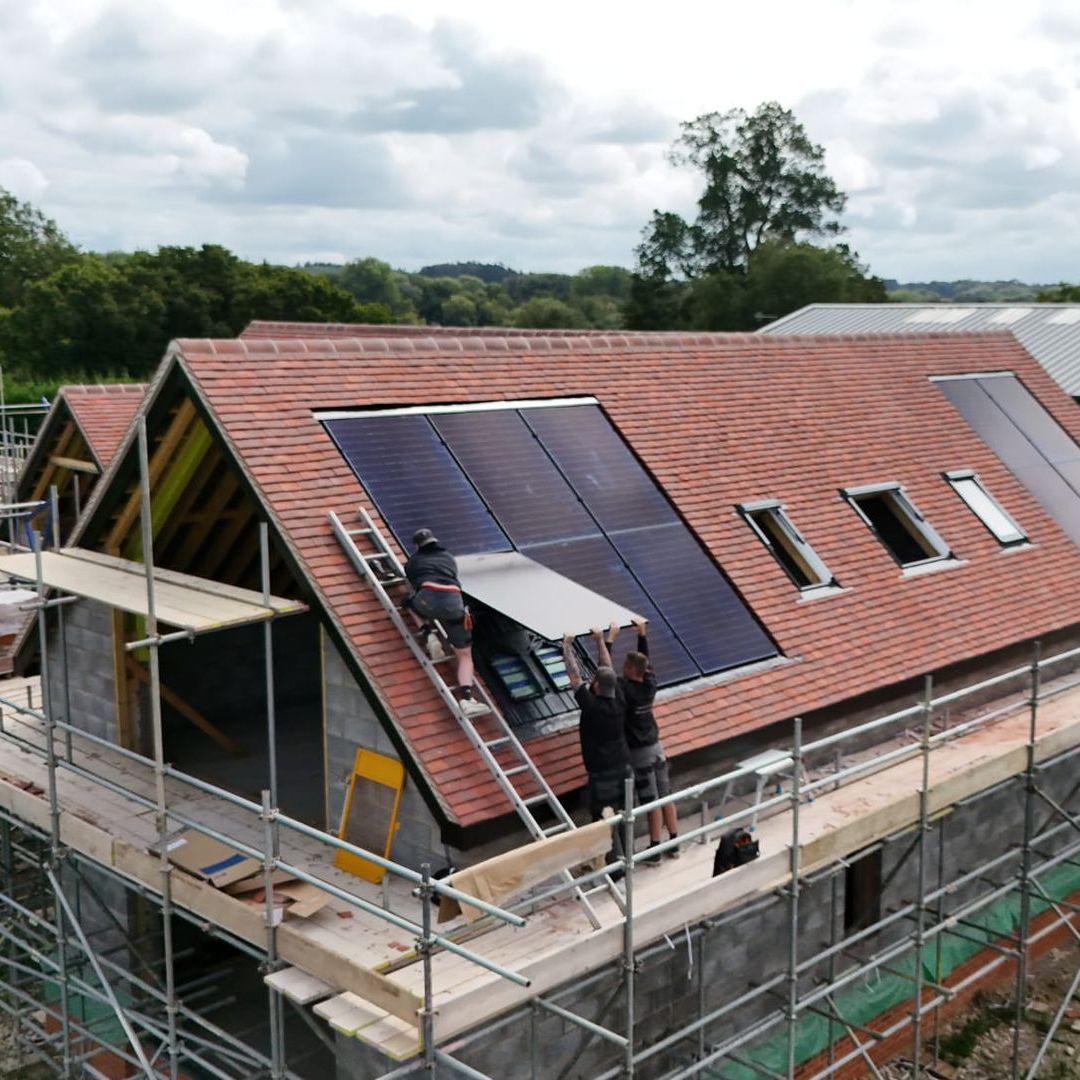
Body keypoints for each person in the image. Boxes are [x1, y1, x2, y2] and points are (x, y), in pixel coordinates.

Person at [601, 619, 679, 862]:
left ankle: (655, 849)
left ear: (631, 670)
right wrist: (642, 634)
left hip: (639, 752)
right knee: (666, 795)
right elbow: (646, 661)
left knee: (649, 801)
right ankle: (674, 842)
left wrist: (608, 640)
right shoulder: (649, 685)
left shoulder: (625, 690)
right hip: (657, 747)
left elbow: (604, 671)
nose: (622, 667)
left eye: (625, 664)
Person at [562, 630, 631, 868]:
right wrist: (600, 640)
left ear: (597, 687)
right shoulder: (619, 698)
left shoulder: (591, 706)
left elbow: (573, 675)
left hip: (601, 773)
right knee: (622, 815)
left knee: (601, 818)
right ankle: (624, 858)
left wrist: (567, 646)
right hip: (623, 767)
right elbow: (606, 669)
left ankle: (610, 866)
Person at [403, 528, 489, 718]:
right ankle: (467, 698)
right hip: (453, 603)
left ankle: (428, 634)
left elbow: (414, 580)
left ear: (417, 546)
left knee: (408, 601)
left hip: (427, 599)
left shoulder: (413, 563)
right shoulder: (449, 558)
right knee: (465, 654)